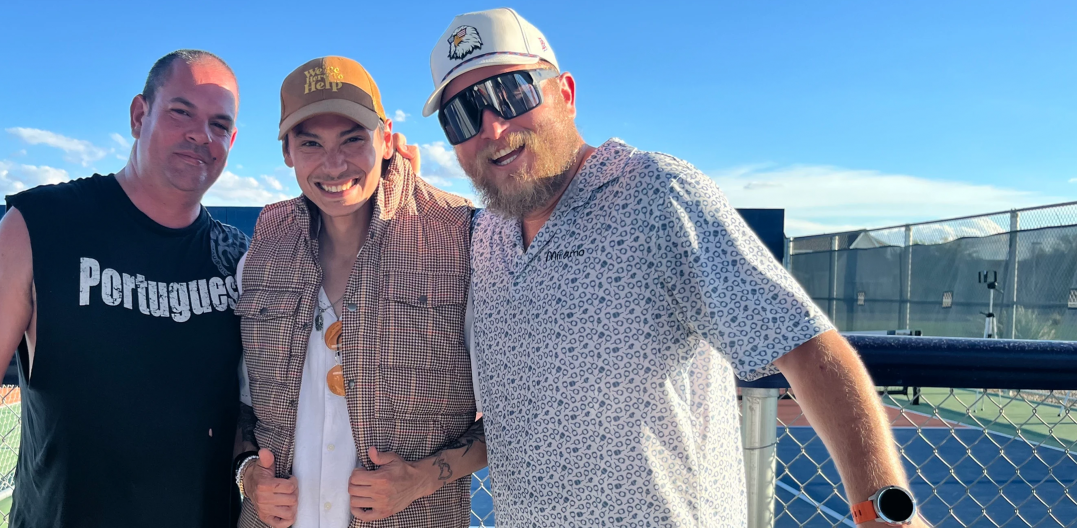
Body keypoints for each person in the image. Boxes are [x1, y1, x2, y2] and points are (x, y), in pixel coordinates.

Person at [424, 8, 929, 527]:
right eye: (462, 115)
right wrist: (380, 161)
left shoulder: (657, 193)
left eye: (512, 93)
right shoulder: (486, 238)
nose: (493, 126)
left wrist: (886, 517)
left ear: (566, 93)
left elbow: (808, 348)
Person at [0, 50, 251, 528]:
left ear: (231, 141)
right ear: (139, 114)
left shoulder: (240, 259)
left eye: (219, 124)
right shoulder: (41, 224)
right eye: (181, 111)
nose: (200, 134)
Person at [233, 56, 486, 528]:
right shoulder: (261, 254)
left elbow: (513, 414)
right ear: (287, 152)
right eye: (310, 143)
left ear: (387, 138)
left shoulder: (460, 244)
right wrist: (248, 475)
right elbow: (241, 405)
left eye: (353, 139)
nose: (334, 164)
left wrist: (423, 477)